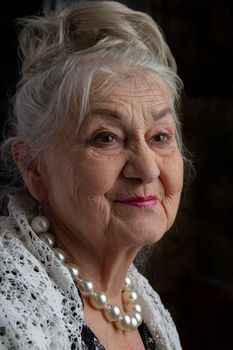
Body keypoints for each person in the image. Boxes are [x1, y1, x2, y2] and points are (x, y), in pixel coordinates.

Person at [0, 1, 185, 349]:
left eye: (160, 137)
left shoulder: (143, 306)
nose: (146, 169)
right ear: (33, 167)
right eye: (106, 138)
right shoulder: (9, 305)